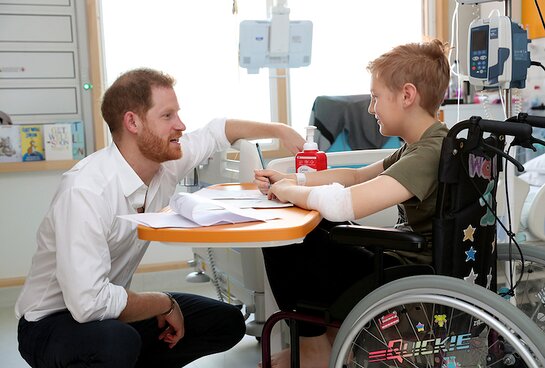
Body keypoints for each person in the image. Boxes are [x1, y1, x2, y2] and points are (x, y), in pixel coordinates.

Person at [15, 67, 305, 368]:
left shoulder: (164, 162)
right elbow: (87, 305)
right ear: (133, 122)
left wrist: (280, 130)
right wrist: (163, 303)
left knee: (226, 322)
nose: (180, 125)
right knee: (117, 342)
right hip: (49, 324)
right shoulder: (85, 190)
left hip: (107, 311)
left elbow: (218, 131)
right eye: (168, 116)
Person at [254, 39, 451, 368]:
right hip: (404, 261)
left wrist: (290, 192)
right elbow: (356, 178)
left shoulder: (429, 154)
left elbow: (346, 204)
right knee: (306, 223)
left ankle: (315, 348)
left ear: (407, 95)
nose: (371, 108)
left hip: (407, 273)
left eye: (376, 97)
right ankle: (324, 342)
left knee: (286, 236)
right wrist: (292, 180)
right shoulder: (426, 144)